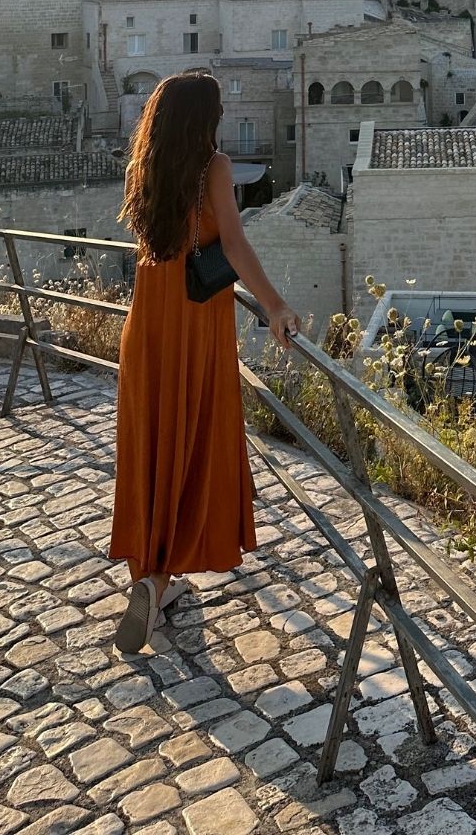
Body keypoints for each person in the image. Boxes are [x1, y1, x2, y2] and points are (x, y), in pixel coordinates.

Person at [109, 71, 300, 653]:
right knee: (191, 443)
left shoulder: (146, 170)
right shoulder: (213, 167)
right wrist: (275, 304)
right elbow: (235, 244)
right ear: (205, 119)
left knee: (152, 446)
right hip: (196, 327)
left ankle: (150, 576)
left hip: (148, 326)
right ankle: (161, 578)